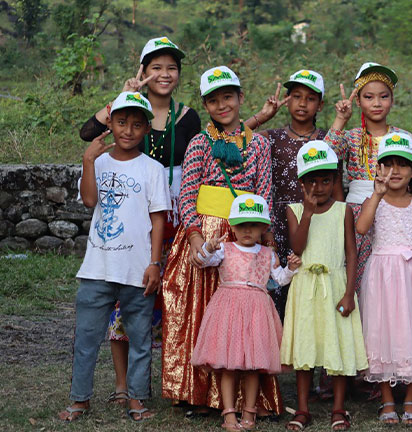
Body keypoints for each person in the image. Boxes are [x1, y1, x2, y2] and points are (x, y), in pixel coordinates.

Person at [78, 37, 201, 405]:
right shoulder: (130, 113)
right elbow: (88, 134)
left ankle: (173, 384)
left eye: (171, 68)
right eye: (156, 67)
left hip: (175, 220)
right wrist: (122, 94)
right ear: (143, 71)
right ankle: (121, 385)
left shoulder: (188, 116)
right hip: (132, 221)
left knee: (173, 302)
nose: (164, 74)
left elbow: (200, 160)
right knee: (123, 303)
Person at [161, 66, 283, 416]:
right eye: (213, 100)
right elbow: (187, 193)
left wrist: (268, 239)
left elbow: (264, 192)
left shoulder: (258, 144)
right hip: (206, 234)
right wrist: (196, 234)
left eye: (228, 96)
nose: (222, 105)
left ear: (241, 98)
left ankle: (246, 399)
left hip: (246, 231)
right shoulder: (200, 142)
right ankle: (200, 393)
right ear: (206, 105)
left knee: (243, 318)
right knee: (200, 314)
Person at [58, 92, 170, 422]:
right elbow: (90, 200)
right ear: (110, 124)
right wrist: (88, 161)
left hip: (138, 269)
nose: (128, 130)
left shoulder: (153, 169)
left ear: (147, 129)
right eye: (121, 122)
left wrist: (154, 263)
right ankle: (80, 400)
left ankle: (136, 399)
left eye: (137, 125)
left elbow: (158, 218)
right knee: (87, 339)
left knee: (139, 339)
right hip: (98, 268)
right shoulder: (100, 161)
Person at [355, 133, 412, 425]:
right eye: (388, 164)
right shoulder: (375, 200)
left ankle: (411, 397)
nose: (395, 171)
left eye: (402, 165)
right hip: (383, 277)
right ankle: (386, 400)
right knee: (383, 334)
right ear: (378, 169)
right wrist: (378, 194)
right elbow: (361, 228)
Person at [191, 194, 300, 431]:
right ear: (232, 225)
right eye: (241, 225)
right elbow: (202, 261)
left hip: (257, 313)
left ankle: (249, 413)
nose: (247, 230)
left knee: (253, 366)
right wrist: (208, 248)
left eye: (253, 225)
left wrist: (290, 269)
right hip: (228, 310)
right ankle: (229, 414)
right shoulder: (225, 249)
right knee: (228, 365)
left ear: (263, 227)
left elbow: (279, 280)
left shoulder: (267, 253)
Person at [282, 140, 368, 431]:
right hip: (305, 289)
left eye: (325, 180)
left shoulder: (343, 210)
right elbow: (297, 245)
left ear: (335, 180)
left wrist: (349, 292)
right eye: (311, 181)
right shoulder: (294, 210)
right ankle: (303, 408)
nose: (318, 187)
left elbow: (351, 253)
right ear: (301, 183)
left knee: (338, 348)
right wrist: (307, 213)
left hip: (335, 285)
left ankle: (338, 408)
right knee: (305, 350)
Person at [324, 62, 412, 291]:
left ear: (392, 99)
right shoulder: (351, 136)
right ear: (358, 101)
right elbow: (326, 156)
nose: (377, 103)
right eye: (369, 97)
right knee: (356, 279)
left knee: (391, 283)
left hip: (394, 216)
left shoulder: (404, 137)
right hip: (358, 213)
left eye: (383, 96)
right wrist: (341, 119)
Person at [260, 69, 328, 317]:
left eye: (310, 98)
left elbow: (337, 188)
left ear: (320, 105)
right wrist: (263, 116)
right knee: (280, 286)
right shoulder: (271, 137)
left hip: (316, 221)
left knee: (311, 281)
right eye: (296, 96)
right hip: (278, 223)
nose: (302, 103)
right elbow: (232, 141)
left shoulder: (327, 140)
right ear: (286, 100)